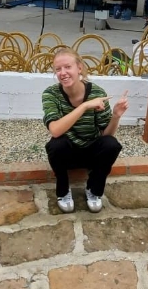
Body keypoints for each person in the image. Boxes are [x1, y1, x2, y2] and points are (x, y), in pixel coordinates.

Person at [42, 47, 128, 213]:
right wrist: (84, 106)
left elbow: (106, 135)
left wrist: (116, 116)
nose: (63, 73)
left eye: (68, 67)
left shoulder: (96, 92)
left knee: (111, 144)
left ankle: (94, 190)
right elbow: (55, 130)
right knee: (55, 145)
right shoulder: (50, 94)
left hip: (92, 153)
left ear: (79, 68)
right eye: (58, 69)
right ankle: (63, 191)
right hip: (68, 153)